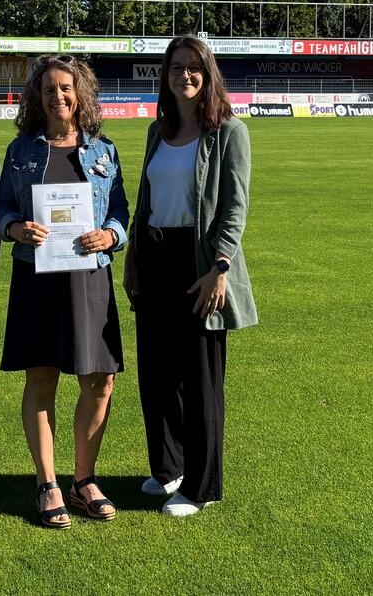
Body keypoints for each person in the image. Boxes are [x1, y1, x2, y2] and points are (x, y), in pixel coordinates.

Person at [124, 35, 257, 517]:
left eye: (193, 66)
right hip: (154, 255)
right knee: (156, 373)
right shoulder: (157, 131)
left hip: (200, 262)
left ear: (208, 72)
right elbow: (145, 200)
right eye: (176, 67)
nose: (185, 75)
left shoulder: (228, 131)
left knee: (200, 379)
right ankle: (169, 468)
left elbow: (235, 207)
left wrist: (220, 266)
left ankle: (202, 486)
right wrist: (133, 254)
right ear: (165, 75)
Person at [0, 55, 129, 529]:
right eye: (49, 88)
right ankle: (47, 482)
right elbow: (2, 208)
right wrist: (15, 229)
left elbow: (120, 209)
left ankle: (84, 479)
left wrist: (110, 235)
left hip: (89, 276)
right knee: (42, 377)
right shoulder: (20, 151)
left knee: (100, 380)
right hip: (37, 275)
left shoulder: (103, 150)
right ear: (37, 96)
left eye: (66, 88)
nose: (58, 96)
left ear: (81, 94)